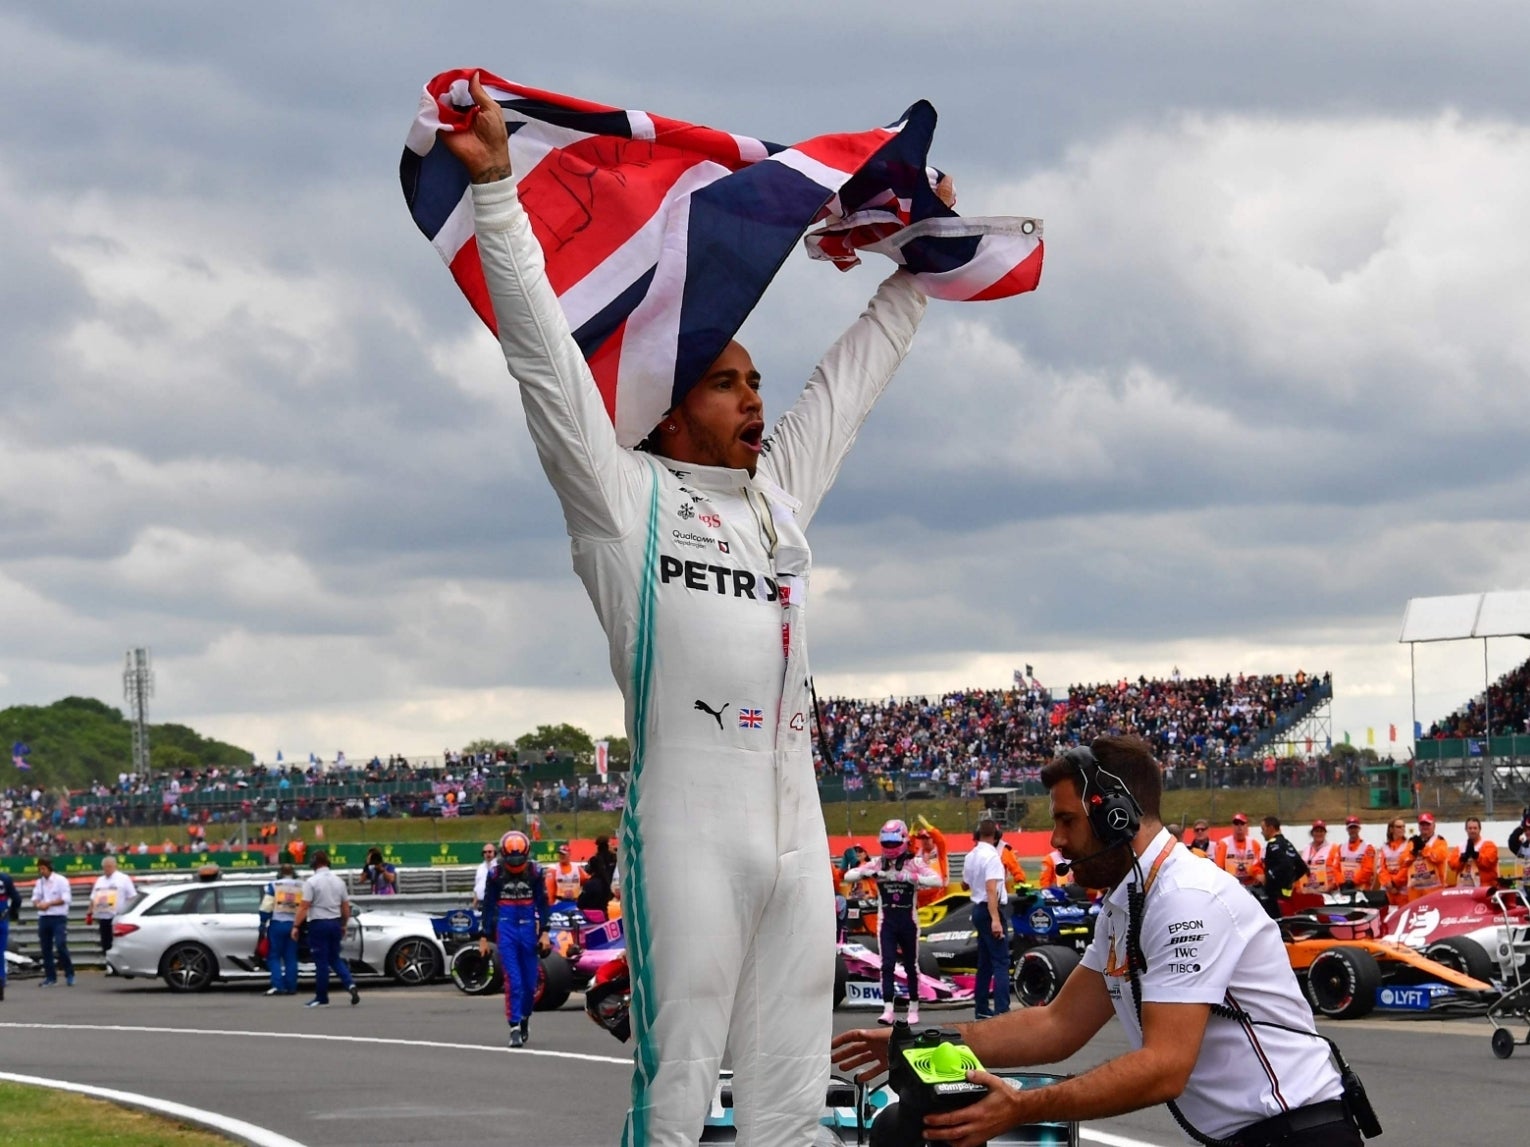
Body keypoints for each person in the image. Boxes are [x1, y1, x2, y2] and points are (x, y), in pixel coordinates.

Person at [437, 74, 940, 1145]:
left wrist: (919, 269)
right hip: (689, 839)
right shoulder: (624, 500)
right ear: (668, 415)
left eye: (758, 380)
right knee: (674, 1107)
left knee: (794, 1114)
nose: (758, 398)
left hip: (801, 840)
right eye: (727, 382)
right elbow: (542, 362)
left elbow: (853, 382)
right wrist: (494, 194)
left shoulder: (780, 499)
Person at [831, 735, 1368, 1146]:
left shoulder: (1187, 899)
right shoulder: (1127, 899)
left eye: (1066, 820)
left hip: (1300, 1133)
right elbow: (1056, 1025)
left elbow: (1163, 1066)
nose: (1057, 841)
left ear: (1117, 816)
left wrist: (1022, 1107)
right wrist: (931, 1040)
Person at [843, 819, 942, 1025]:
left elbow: (937, 880)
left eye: (893, 842)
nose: (889, 847)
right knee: (886, 964)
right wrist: (866, 872)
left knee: (910, 965)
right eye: (885, 843)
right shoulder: (878, 863)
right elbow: (848, 875)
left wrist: (911, 877)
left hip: (908, 921)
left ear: (904, 840)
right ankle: (888, 1009)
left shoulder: (914, 863)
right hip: (885, 921)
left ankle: (913, 1007)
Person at [479, 830, 550, 1048]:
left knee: (530, 984)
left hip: (529, 929)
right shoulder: (495, 874)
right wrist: (483, 936)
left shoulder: (536, 872)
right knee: (514, 981)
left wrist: (545, 931)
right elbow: (488, 906)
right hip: (506, 928)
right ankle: (514, 1027)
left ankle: (525, 1017)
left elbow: (543, 903)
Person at [292, 850, 360, 1008]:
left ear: (314, 865)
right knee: (334, 957)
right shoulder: (339, 881)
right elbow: (345, 906)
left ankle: (321, 997)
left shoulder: (312, 882)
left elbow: (304, 907)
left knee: (321, 962)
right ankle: (349, 983)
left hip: (318, 924)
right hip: (335, 923)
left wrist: (296, 926)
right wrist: (344, 924)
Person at [964, 819, 1010, 1019]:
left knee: (985, 963)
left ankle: (981, 1008)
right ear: (996, 836)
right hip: (990, 909)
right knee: (1001, 962)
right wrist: (996, 920)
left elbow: (965, 885)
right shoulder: (992, 857)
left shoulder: (970, 855)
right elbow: (991, 889)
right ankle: (1002, 1010)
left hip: (977, 909)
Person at [84, 855, 137, 970]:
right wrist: (89, 912)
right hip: (103, 916)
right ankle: (109, 966)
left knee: (118, 942)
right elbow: (93, 897)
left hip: (118, 917)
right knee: (105, 942)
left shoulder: (123, 879)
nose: (107, 869)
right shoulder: (100, 880)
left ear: (114, 866)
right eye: (104, 867)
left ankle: (122, 966)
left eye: (109, 867)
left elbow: (132, 896)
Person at [30, 857, 75, 987]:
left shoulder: (61, 880)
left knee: (61, 944)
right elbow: (35, 898)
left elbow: (66, 898)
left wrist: (49, 904)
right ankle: (50, 976)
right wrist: (39, 904)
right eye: (39, 869)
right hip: (44, 917)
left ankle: (69, 973)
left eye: (43, 868)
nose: (41, 871)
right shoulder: (39, 883)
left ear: (49, 867)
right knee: (45, 948)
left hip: (58, 917)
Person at [261, 863, 303, 996]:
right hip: (294, 924)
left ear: (280, 873)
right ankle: (291, 986)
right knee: (291, 957)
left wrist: (263, 921)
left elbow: (267, 905)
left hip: (277, 923)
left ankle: (278, 985)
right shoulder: (301, 885)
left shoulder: (274, 885)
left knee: (274, 956)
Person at [1260, 815, 1309, 918]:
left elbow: (1284, 864)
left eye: (1263, 829)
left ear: (1271, 828)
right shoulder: (1287, 844)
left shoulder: (1273, 844)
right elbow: (1302, 867)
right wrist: (1290, 880)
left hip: (1274, 895)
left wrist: (1268, 876)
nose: (1262, 833)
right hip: (1287, 894)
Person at [1403, 813, 1449, 902]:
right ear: (1419, 826)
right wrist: (1413, 853)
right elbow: (1402, 861)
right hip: (1415, 889)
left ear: (1434, 825)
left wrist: (1424, 849)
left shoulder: (1440, 841)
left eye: (1427, 824)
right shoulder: (1413, 841)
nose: (1425, 827)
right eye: (1422, 824)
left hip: (1434, 888)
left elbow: (1439, 857)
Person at [1213, 812, 1264, 888]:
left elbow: (1260, 866)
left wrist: (1258, 878)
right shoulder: (1224, 843)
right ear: (1232, 826)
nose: (1239, 826)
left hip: (1251, 884)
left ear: (1247, 826)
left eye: (1242, 824)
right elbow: (1218, 868)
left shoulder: (1254, 843)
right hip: (1231, 885)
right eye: (1236, 824)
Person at [1450, 817, 1499, 888]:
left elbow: (1489, 862)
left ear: (1479, 829)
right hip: (1464, 888)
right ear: (1466, 830)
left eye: (1475, 828)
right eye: (1470, 828)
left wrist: (1476, 855)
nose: (1472, 831)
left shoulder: (1488, 845)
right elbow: (1452, 864)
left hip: (1484, 888)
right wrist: (1462, 859)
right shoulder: (1460, 847)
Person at [1333, 816, 1376, 891]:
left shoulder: (1367, 847)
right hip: (1344, 887)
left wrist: (1354, 882)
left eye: (1355, 828)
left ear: (1359, 829)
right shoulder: (1341, 847)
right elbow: (1335, 868)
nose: (1353, 830)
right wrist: (1341, 882)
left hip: (1361, 888)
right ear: (1347, 829)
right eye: (1350, 828)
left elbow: (1367, 869)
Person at [914, 824, 952, 908]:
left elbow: (941, 841)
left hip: (937, 895)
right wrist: (911, 836)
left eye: (928, 838)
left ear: (933, 839)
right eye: (923, 838)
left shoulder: (940, 853)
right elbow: (908, 847)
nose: (925, 841)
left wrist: (932, 830)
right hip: (920, 897)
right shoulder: (917, 854)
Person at [579, 835, 619, 914]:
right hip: (608, 894)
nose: (612, 845)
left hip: (604, 894)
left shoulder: (597, 859)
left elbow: (580, 904)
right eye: (610, 844)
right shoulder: (612, 859)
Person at [1376, 817, 1411, 906]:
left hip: (1403, 889)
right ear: (1391, 829)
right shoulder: (1384, 847)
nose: (1402, 829)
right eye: (1399, 827)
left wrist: (1395, 883)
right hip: (1387, 888)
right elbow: (1380, 868)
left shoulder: (1409, 845)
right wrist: (1388, 883)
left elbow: (1408, 866)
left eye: (1403, 826)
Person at [545, 843, 587, 908]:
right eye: (560, 854)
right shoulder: (553, 869)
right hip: (559, 903)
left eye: (563, 854)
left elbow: (586, 880)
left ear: (569, 854)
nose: (561, 856)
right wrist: (551, 904)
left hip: (575, 903)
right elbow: (550, 890)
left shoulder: (577, 868)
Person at [1302, 820, 1339, 894]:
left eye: (1321, 831)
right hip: (1310, 890)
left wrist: (1332, 885)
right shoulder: (1306, 848)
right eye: (1316, 831)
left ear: (1325, 833)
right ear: (1312, 833)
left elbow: (1338, 869)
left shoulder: (1333, 847)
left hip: (1328, 891)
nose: (1319, 834)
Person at [0, 869, 19, 1003]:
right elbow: (17, 899)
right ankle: (1, 983)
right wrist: (12, 913)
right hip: (2, 919)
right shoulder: (5, 878)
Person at [472, 842, 496, 909]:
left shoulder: (499, 867)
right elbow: (477, 886)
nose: (487, 854)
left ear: (494, 853)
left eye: (490, 851)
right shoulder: (480, 867)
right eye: (485, 852)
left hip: (495, 904)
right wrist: (474, 903)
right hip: (481, 903)